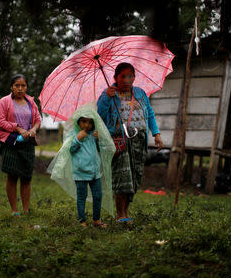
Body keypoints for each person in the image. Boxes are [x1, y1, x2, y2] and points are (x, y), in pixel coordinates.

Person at [97, 62, 163, 223]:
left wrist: (156, 133)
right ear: (115, 77)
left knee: (134, 176)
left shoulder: (140, 93)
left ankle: (126, 212)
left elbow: (150, 114)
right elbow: (100, 115)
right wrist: (107, 97)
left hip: (139, 141)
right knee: (122, 176)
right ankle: (120, 215)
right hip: (119, 141)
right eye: (123, 76)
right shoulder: (108, 94)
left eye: (130, 76)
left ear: (134, 77)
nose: (126, 79)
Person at [49, 103, 115, 227]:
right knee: (81, 197)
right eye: (84, 121)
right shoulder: (74, 134)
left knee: (98, 196)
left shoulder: (92, 135)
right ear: (78, 121)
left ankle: (96, 219)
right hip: (80, 172)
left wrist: (99, 137)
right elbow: (71, 149)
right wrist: (78, 139)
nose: (86, 125)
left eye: (90, 122)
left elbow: (103, 148)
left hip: (95, 172)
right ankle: (82, 220)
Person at [0, 74, 41, 217]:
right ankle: (14, 210)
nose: (20, 89)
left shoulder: (31, 102)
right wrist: (17, 128)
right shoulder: (4, 102)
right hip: (11, 142)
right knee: (12, 176)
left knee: (27, 177)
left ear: (26, 87)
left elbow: (38, 120)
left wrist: (33, 129)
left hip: (27, 143)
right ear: (11, 87)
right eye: (17, 85)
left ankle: (26, 210)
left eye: (23, 86)